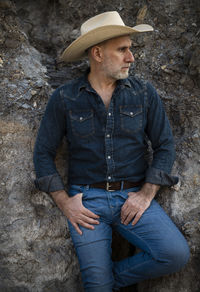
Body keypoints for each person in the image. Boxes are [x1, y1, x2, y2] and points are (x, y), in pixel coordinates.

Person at [33, 11, 190, 292]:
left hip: (132, 197)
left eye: (130, 49)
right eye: (122, 50)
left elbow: (165, 145)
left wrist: (146, 194)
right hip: (87, 203)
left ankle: (106, 282)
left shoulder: (143, 93)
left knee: (175, 254)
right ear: (97, 53)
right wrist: (64, 203)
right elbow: (43, 153)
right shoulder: (66, 98)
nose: (131, 57)